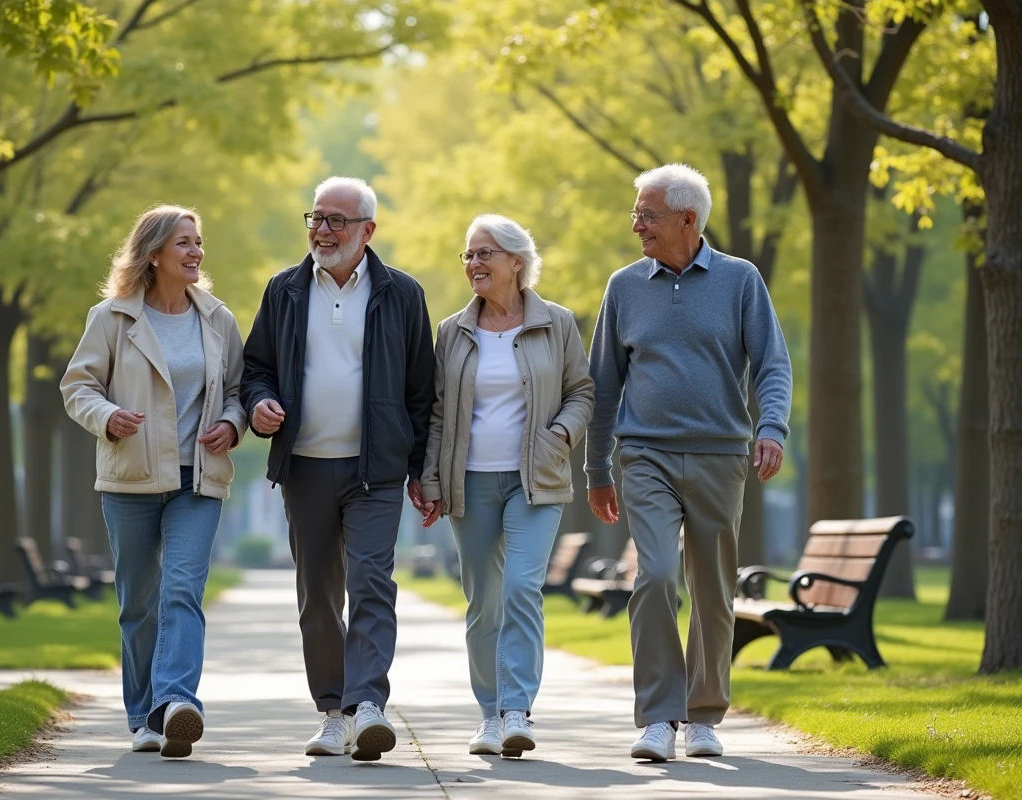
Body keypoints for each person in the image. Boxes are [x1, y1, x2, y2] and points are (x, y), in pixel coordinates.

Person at [584, 164, 792, 761]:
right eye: (636, 214)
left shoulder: (739, 280)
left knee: (713, 588)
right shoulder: (624, 286)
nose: (637, 225)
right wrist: (598, 470)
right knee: (653, 575)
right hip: (644, 454)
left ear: (688, 220)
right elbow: (603, 385)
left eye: (647, 215)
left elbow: (773, 364)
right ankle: (657, 716)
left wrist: (771, 428)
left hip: (721, 454)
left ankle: (702, 715)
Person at [240, 177, 435, 761]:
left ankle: (367, 705)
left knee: (371, 581)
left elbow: (422, 392)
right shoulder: (284, 290)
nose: (322, 230)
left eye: (336, 221)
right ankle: (332, 710)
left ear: (367, 231)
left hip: (375, 470)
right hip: (304, 466)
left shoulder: (402, 294)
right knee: (318, 595)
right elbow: (256, 368)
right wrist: (258, 405)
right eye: (316, 218)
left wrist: (421, 470)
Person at [61, 205, 247, 759]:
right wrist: (107, 416)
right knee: (138, 602)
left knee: (183, 590)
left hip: (198, 478)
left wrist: (232, 424)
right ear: (154, 254)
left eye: (199, 242)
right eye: (185, 243)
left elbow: (239, 389)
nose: (196, 252)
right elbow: (78, 387)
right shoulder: (112, 318)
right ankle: (142, 717)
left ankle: (175, 703)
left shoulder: (218, 319)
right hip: (131, 478)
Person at [419, 214, 594, 758]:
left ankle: (517, 710)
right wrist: (429, 478)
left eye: (485, 254)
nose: (473, 263)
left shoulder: (557, 323)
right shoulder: (453, 330)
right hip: (469, 482)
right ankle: (490, 714)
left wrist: (560, 435)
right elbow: (439, 412)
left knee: (521, 586)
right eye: (469, 254)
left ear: (516, 261)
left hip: (534, 480)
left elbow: (582, 391)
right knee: (483, 602)